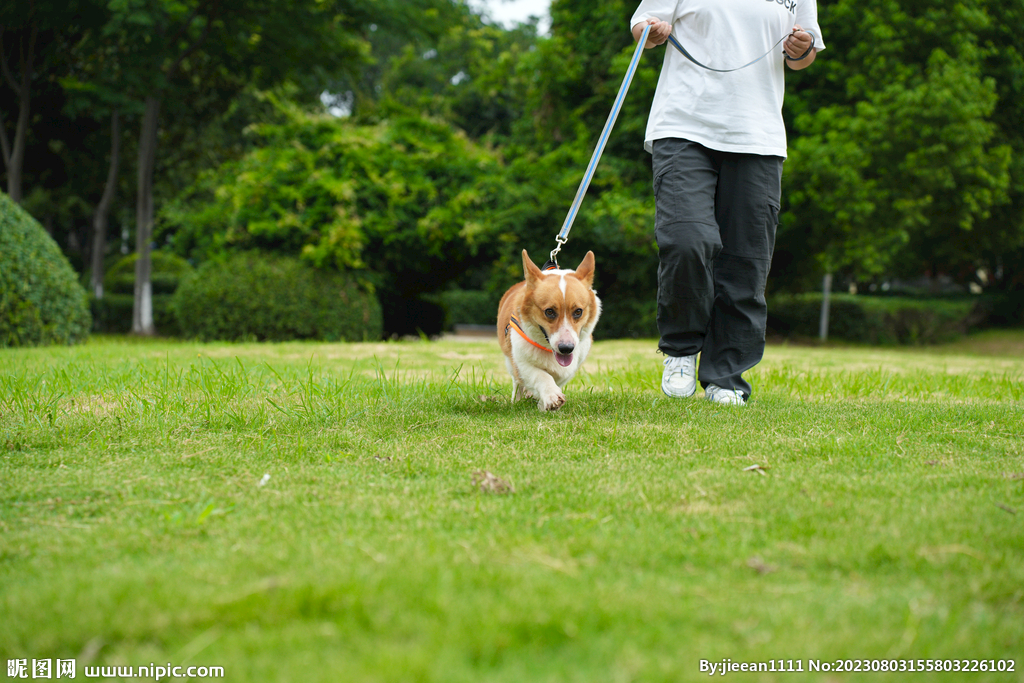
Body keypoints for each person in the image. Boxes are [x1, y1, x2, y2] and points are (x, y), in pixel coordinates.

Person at [630, 1, 824, 406]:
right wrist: (652, 30)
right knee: (686, 240)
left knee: (746, 261)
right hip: (683, 125)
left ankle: (726, 375)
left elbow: (802, 57)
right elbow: (641, 28)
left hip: (758, 135)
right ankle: (681, 350)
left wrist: (800, 48)